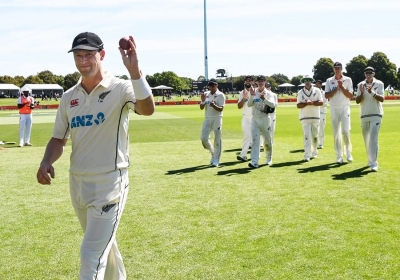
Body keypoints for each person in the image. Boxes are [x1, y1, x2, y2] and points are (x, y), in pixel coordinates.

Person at [36, 32, 155, 280]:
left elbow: (147, 109)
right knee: (104, 249)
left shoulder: (121, 88)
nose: (83, 61)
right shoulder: (69, 97)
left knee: (91, 254)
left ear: (101, 55)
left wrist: (135, 71)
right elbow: (59, 138)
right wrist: (47, 160)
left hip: (109, 183)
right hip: (77, 184)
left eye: (88, 55)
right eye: (78, 56)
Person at [355, 66, 384, 172]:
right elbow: (357, 101)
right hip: (364, 115)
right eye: (366, 73)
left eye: (370, 73)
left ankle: (374, 163)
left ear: (374, 74)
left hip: (376, 114)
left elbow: (382, 99)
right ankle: (370, 160)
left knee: (373, 138)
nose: (368, 74)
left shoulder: (379, 83)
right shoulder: (360, 85)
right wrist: (362, 93)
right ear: (364, 74)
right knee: (366, 140)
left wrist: (371, 92)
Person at [325, 62, 354, 164]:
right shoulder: (329, 80)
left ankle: (348, 153)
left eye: (339, 68)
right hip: (334, 107)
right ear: (333, 69)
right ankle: (339, 156)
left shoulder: (348, 79)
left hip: (345, 107)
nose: (337, 70)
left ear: (342, 69)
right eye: (335, 68)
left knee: (346, 131)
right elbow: (327, 95)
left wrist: (341, 87)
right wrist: (337, 88)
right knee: (336, 133)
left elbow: (350, 95)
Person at [247, 75, 277, 168]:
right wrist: (251, 95)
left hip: (265, 118)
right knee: (255, 141)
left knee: (267, 141)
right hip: (255, 119)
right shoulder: (253, 91)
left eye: (262, 81)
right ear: (256, 82)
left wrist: (264, 99)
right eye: (259, 81)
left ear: (265, 82)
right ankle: (254, 162)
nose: (260, 82)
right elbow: (249, 104)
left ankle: (269, 158)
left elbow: (273, 105)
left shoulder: (269, 93)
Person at [296, 76, 323, 161]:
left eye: (309, 81)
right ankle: (307, 155)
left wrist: (312, 102)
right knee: (307, 136)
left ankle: (314, 152)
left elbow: (321, 102)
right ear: (304, 82)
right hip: (305, 117)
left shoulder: (317, 90)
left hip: (315, 117)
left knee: (315, 136)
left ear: (311, 82)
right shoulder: (300, 92)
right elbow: (298, 105)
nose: (307, 82)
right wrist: (306, 103)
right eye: (305, 81)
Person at [200, 78, 225, 167]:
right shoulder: (206, 94)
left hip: (217, 118)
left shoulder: (221, 95)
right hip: (207, 118)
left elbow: (221, 109)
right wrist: (203, 101)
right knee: (203, 138)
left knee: (217, 138)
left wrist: (214, 105)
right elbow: (201, 107)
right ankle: (213, 152)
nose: (211, 87)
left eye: (213, 85)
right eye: (210, 86)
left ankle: (216, 160)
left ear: (216, 85)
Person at [236, 75, 253, 162]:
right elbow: (239, 106)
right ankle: (243, 155)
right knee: (246, 136)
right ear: (244, 82)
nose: (248, 82)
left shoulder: (256, 92)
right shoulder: (242, 93)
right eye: (246, 81)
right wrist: (243, 98)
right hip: (245, 117)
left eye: (250, 80)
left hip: (255, 117)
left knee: (255, 138)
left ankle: (256, 156)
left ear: (252, 82)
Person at [314, 80, 328, 149]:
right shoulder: (313, 92)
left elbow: (326, 104)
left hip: (322, 112)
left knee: (321, 128)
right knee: (314, 128)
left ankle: (321, 143)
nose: (316, 85)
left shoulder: (324, 93)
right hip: (314, 112)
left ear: (321, 85)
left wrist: (318, 103)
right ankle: (314, 143)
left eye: (318, 84)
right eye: (316, 84)